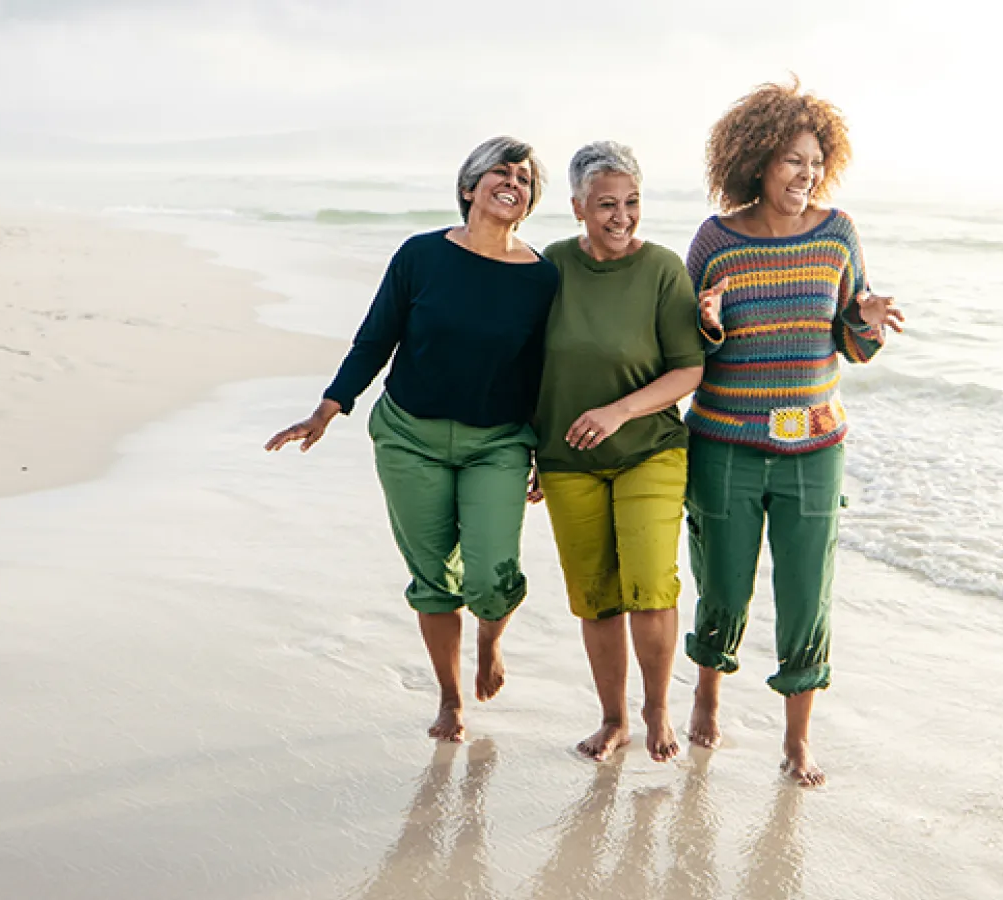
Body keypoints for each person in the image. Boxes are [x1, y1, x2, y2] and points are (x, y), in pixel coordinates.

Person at [264, 136, 558, 744]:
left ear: (530, 200)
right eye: (501, 172)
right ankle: (450, 700)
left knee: (493, 578)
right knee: (432, 579)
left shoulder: (543, 279)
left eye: (525, 179)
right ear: (469, 186)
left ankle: (490, 637)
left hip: (497, 443)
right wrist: (329, 407)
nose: (514, 183)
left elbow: (547, 373)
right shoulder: (421, 256)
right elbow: (376, 339)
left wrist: (547, 453)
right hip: (408, 438)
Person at [682, 81, 905, 786]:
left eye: (814, 164)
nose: (804, 177)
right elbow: (686, 346)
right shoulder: (715, 240)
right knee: (723, 585)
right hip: (724, 444)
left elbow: (851, 342)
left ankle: (797, 739)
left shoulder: (838, 233)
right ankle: (708, 692)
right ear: (755, 163)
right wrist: (707, 322)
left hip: (816, 447)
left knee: (808, 593)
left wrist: (866, 318)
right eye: (790, 162)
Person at [533, 141, 705, 762]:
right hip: (564, 458)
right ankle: (613, 721)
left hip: (649, 450)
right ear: (577, 206)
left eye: (632, 202)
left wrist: (618, 411)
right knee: (596, 594)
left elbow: (689, 370)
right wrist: (530, 446)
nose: (622, 216)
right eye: (607, 204)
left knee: (652, 584)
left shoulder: (661, 269)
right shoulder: (550, 267)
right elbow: (523, 362)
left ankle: (656, 710)